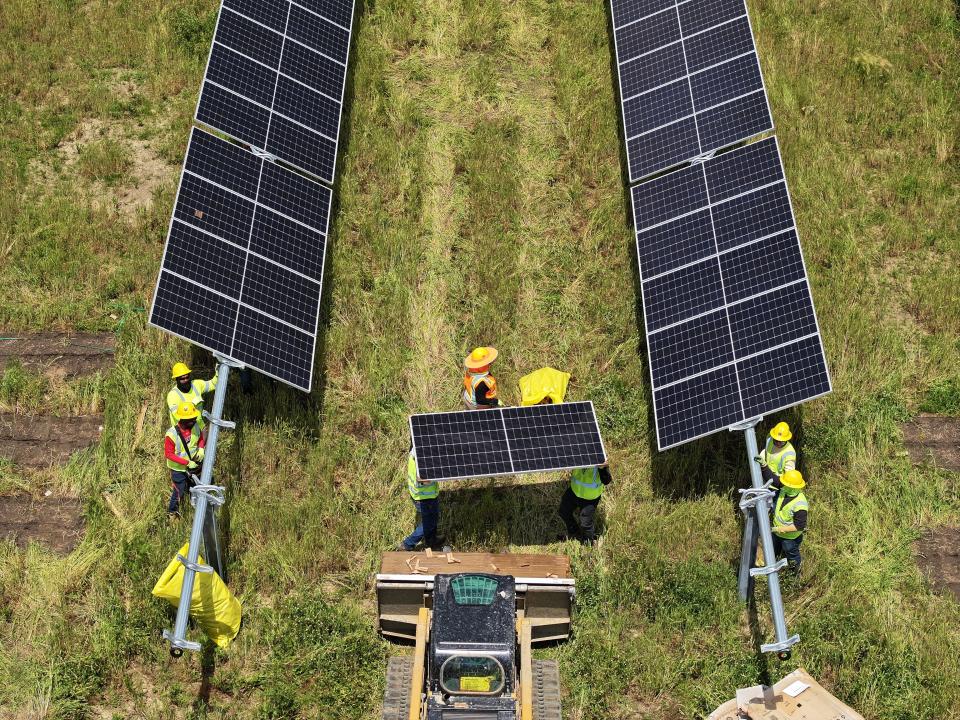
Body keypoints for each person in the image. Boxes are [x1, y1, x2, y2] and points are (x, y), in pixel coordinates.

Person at [399, 447, 446, 551]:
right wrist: (442, 473)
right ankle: (407, 544)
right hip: (424, 498)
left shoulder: (414, 451)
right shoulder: (422, 459)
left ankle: (431, 541)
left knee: (433, 517)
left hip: (423, 495)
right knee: (428, 523)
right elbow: (422, 479)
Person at [164, 401, 206, 516]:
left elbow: (200, 437)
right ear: (183, 419)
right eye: (191, 419)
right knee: (179, 491)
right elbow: (169, 454)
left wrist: (201, 448)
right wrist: (187, 462)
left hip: (194, 465)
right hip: (179, 469)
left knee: (195, 486)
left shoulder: (195, 426)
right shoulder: (171, 434)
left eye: (194, 417)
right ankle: (172, 512)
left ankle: (195, 505)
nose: (194, 420)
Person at [558, 462, 611, 544]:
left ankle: (588, 542)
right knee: (563, 511)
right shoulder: (576, 453)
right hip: (574, 491)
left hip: (590, 498)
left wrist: (602, 468)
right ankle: (574, 532)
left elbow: (606, 480)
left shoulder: (599, 460)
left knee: (586, 523)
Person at [771, 469, 809, 574]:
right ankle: (775, 564)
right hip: (777, 532)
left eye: (785, 484)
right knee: (774, 549)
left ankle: (794, 573)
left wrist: (781, 529)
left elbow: (799, 526)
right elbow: (775, 480)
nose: (782, 485)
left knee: (791, 554)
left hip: (790, 538)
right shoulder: (784, 490)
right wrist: (764, 466)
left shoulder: (800, 504)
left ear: (792, 487)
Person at [167, 362, 218, 431]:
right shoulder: (173, 395)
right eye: (182, 379)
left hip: (199, 429)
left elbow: (212, 384)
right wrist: (192, 405)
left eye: (187, 377)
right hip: (182, 434)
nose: (186, 380)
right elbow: (177, 417)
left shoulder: (196, 384)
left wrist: (218, 373)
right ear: (176, 379)